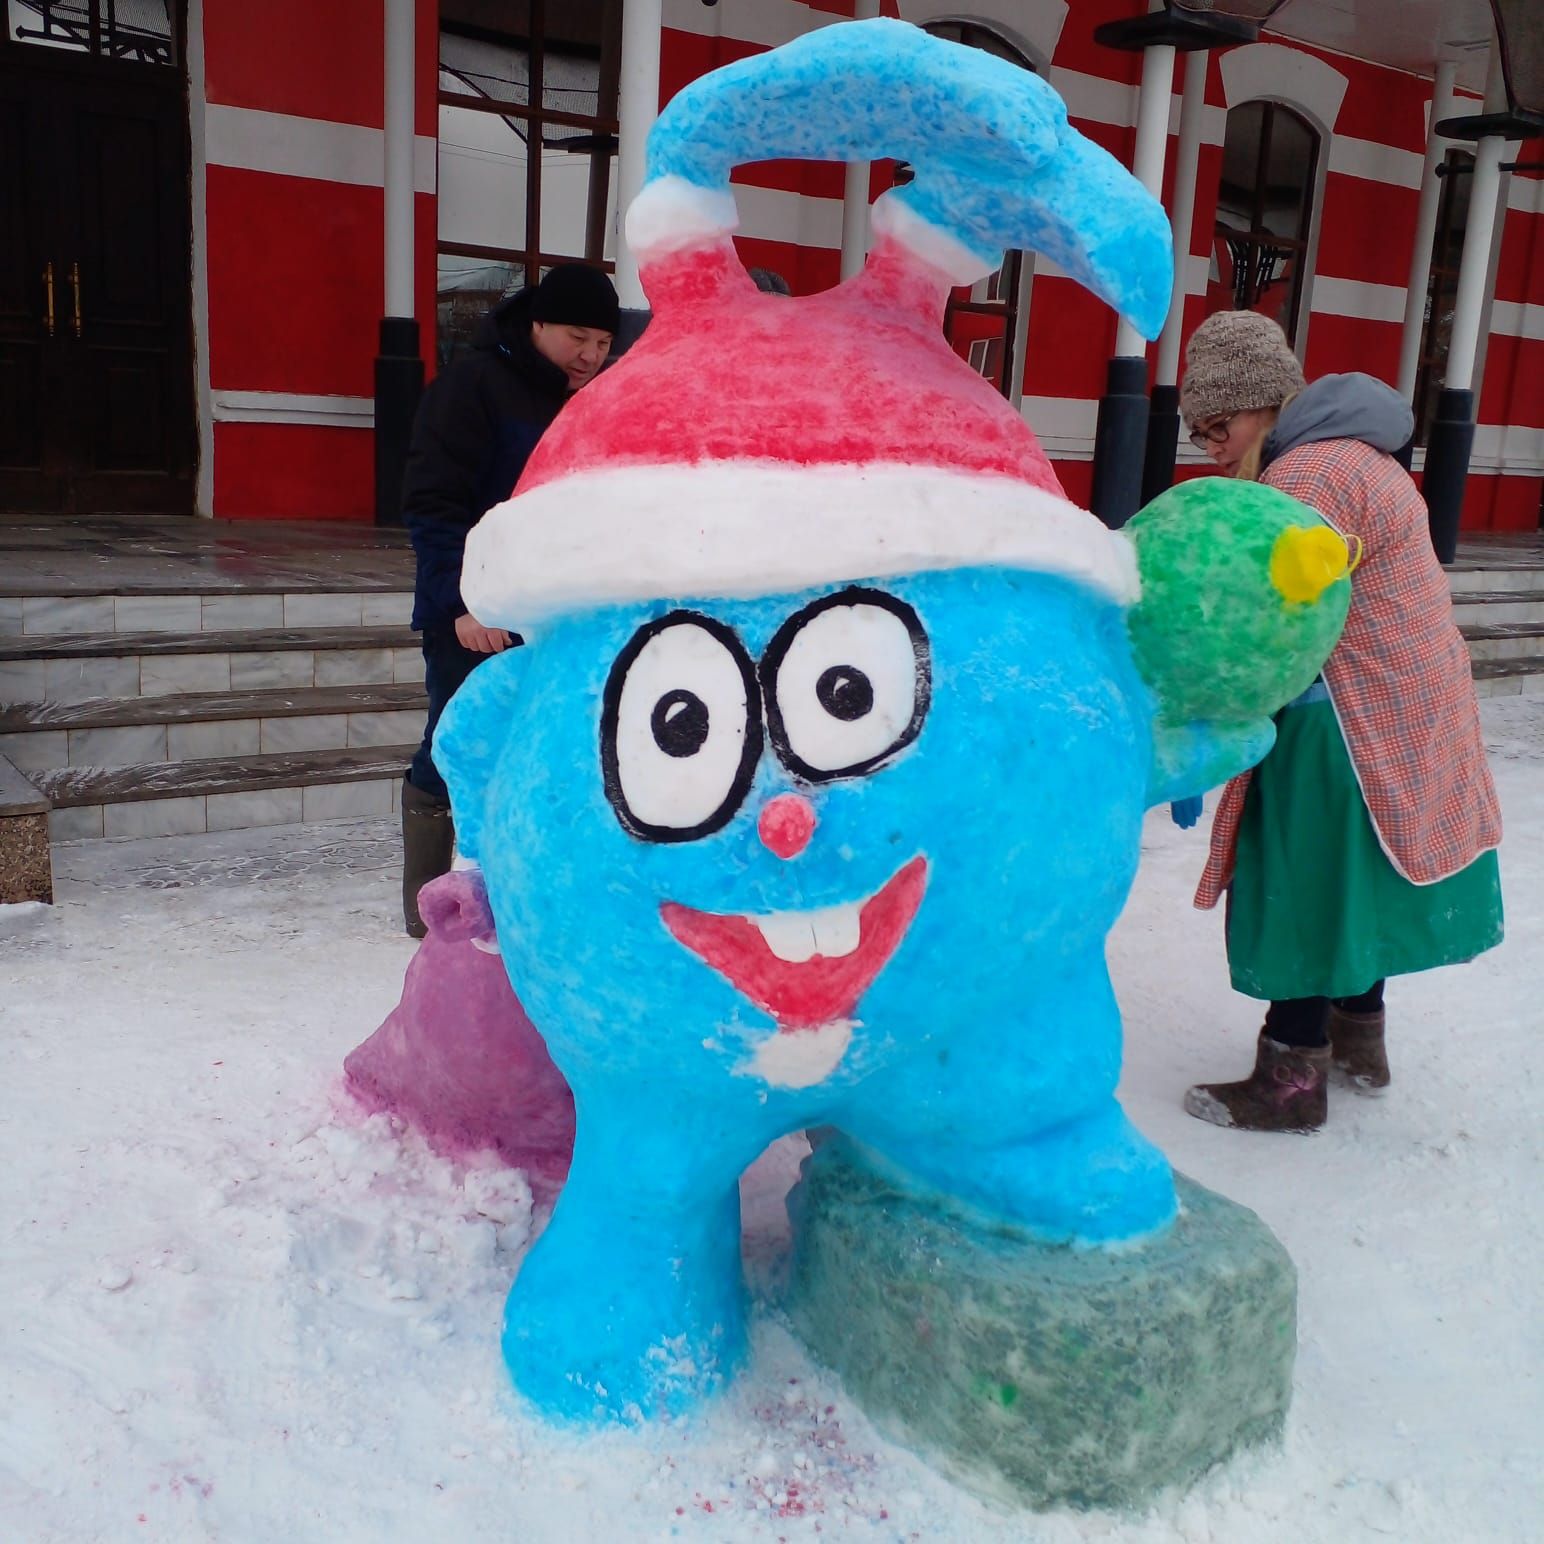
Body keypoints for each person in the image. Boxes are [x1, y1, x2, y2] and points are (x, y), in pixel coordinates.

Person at [1175, 310, 1503, 1133]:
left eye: (1220, 425)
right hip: (1402, 704)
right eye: (1198, 431)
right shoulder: (1351, 456)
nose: (1210, 446)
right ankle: (1360, 1040)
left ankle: (1291, 1080)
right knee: (1356, 879)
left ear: (1264, 406)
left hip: (1348, 717)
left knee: (1307, 882)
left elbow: (1265, 611)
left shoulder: (1308, 478)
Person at [400, 263, 619, 936]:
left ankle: (523, 896)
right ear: (538, 324)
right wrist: (461, 606)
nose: (590, 354)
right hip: (474, 619)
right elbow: (434, 508)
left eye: (603, 343)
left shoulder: (592, 398)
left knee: (549, 749)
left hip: (554, 616)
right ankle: (429, 902)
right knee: (457, 745)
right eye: (577, 336)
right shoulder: (471, 389)